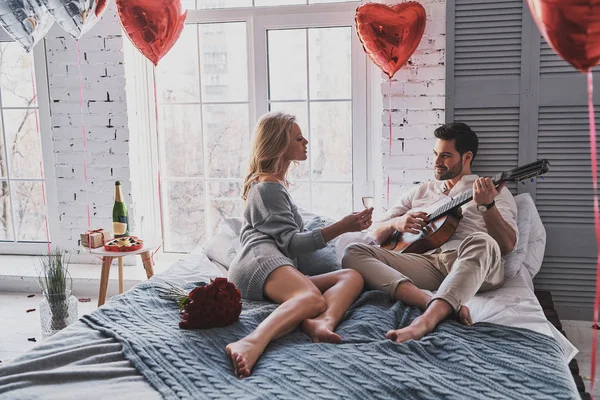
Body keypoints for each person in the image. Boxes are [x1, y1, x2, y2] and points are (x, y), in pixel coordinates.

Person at [226, 112, 373, 379]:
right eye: (298, 137)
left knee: (351, 276)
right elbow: (293, 244)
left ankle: (321, 322)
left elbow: (296, 241)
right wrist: (342, 226)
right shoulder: (267, 188)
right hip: (259, 260)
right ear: (279, 145)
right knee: (311, 297)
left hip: (274, 264)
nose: (305, 142)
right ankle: (250, 342)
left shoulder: (275, 185)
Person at [342, 122, 518, 343]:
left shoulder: (491, 190)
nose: (436, 162)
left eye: (445, 156)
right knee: (353, 252)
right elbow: (374, 233)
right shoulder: (422, 190)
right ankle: (430, 301)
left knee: (481, 240)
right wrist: (396, 223)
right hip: (428, 263)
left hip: (475, 263)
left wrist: (487, 206)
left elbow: (508, 245)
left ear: (466, 158)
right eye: (435, 154)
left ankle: (424, 322)